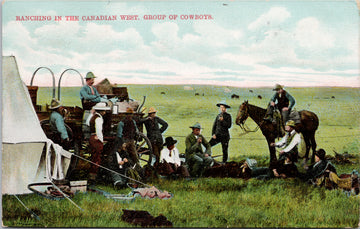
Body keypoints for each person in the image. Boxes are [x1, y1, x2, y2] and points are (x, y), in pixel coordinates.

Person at [88, 103, 111, 182]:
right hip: (96, 139)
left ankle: (92, 175)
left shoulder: (92, 117)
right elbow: (99, 131)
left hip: (92, 137)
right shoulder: (98, 119)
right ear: (101, 111)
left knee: (94, 157)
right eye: (104, 110)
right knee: (97, 157)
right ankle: (94, 177)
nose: (105, 112)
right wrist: (101, 141)